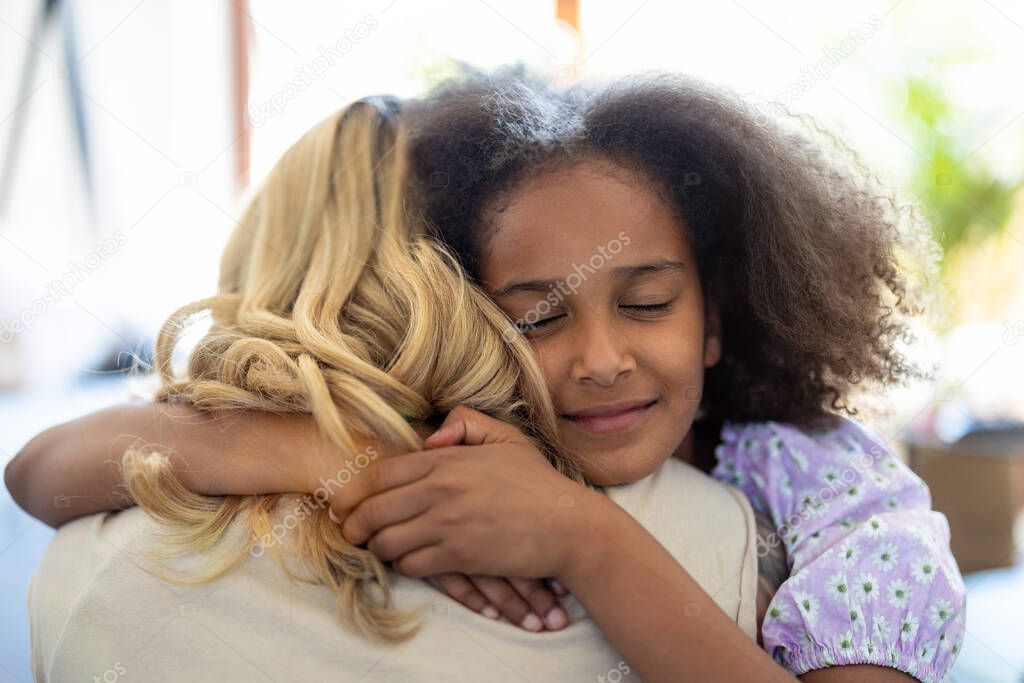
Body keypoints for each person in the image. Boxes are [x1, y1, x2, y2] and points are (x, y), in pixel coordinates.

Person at [7, 66, 966, 681]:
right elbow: (39, 467)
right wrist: (331, 449)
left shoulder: (833, 489)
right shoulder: (474, 423)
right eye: (539, 318)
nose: (598, 358)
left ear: (718, 315)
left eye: (646, 303)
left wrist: (582, 537)